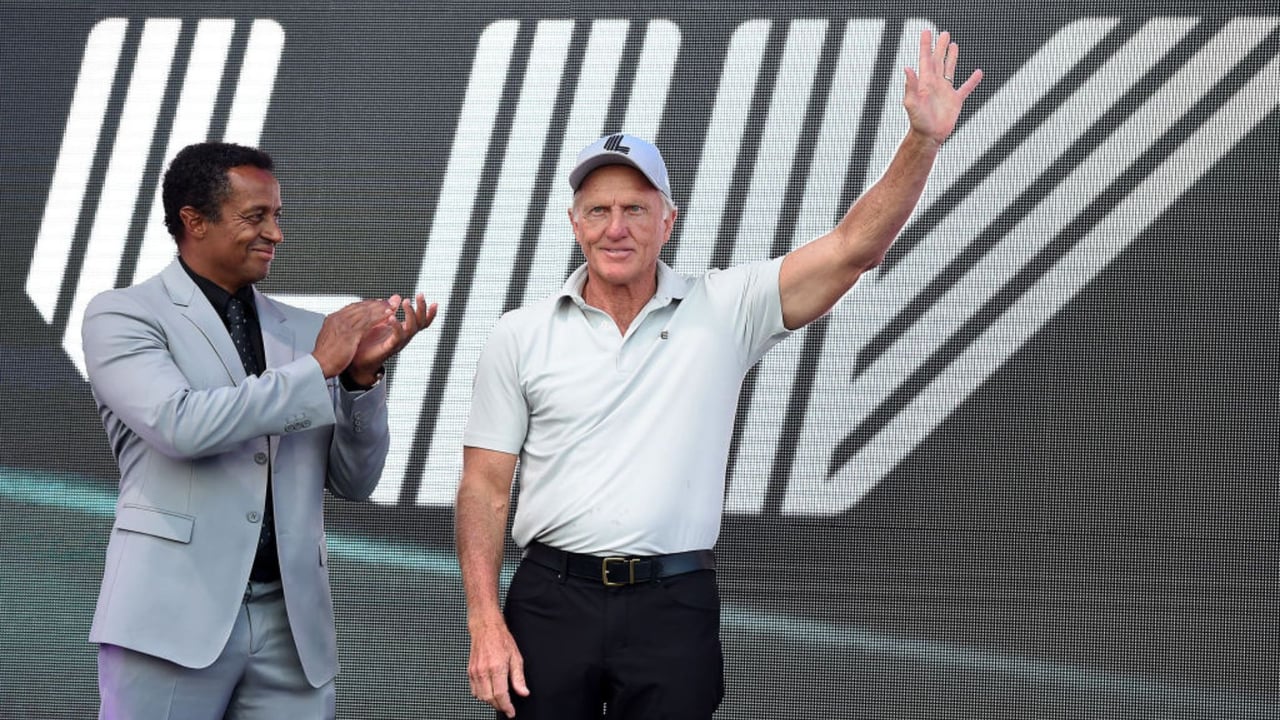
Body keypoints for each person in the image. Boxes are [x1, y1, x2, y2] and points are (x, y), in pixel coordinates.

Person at [457, 30, 981, 719]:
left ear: (668, 221)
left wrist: (924, 140)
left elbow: (855, 248)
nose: (617, 227)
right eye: (600, 210)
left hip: (673, 604)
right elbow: (485, 488)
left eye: (636, 209)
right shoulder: (518, 334)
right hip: (550, 600)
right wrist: (484, 624)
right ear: (574, 223)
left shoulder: (727, 307)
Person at [82, 141, 437, 719]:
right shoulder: (122, 314)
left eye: (278, 216)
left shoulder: (305, 332)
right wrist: (319, 368)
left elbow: (355, 482)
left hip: (293, 628)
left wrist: (360, 381)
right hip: (170, 617)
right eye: (256, 217)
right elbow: (181, 425)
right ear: (193, 221)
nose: (276, 233)